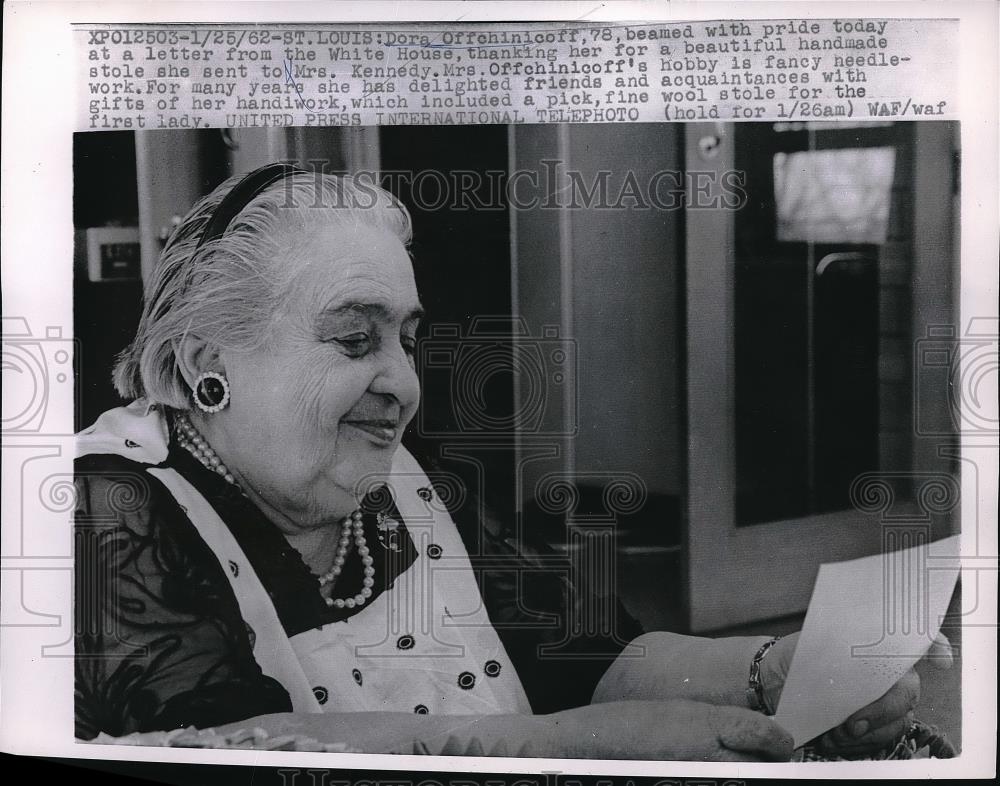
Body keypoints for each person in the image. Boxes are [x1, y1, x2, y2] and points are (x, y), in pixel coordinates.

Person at [74, 164, 949, 760]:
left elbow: (591, 657)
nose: (403, 384)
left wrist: (765, 673)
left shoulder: (412, 483)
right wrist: (588, 749)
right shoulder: (103, 511)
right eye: (353, 338)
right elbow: (236, 752)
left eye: (407, 340)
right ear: (203, 367)